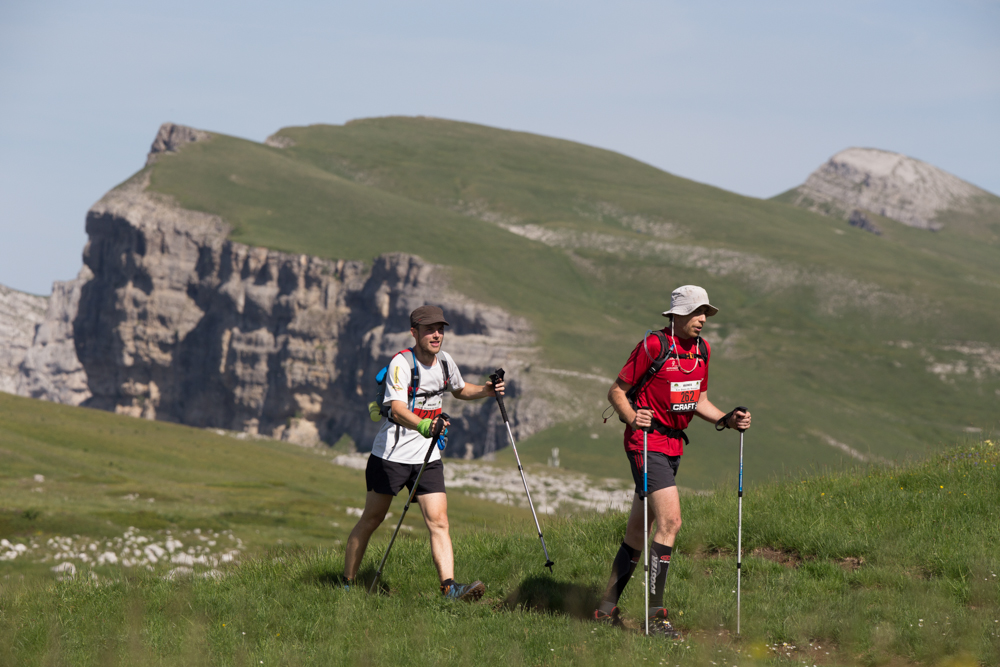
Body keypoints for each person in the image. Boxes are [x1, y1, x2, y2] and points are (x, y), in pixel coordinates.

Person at [594, 285, 751, 637]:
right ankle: (656, 615)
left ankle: (605, 609)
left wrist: (726, 418)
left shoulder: (702, 350)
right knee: (671, 522)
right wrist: (634, 417)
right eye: (696, 313)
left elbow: (698, 400)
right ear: (676, 315)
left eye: (705, 314)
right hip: (646, 443)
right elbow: (616, 391)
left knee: (638, 531)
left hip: (674, 446)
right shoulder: (654, 346)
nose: (701, 320)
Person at [343, 305, 504, 601]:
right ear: (414, 332)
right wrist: (426, 425)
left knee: (439, 521)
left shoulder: (445, 362)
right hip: (390, 455)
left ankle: (449, 588)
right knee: (371, 519)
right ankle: (347, 584)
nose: (436, 334)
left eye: (440, 329)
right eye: (430, 329)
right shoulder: (401, 364)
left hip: (427, 457)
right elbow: (398, 409)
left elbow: (459, 389)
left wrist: (486, 390)